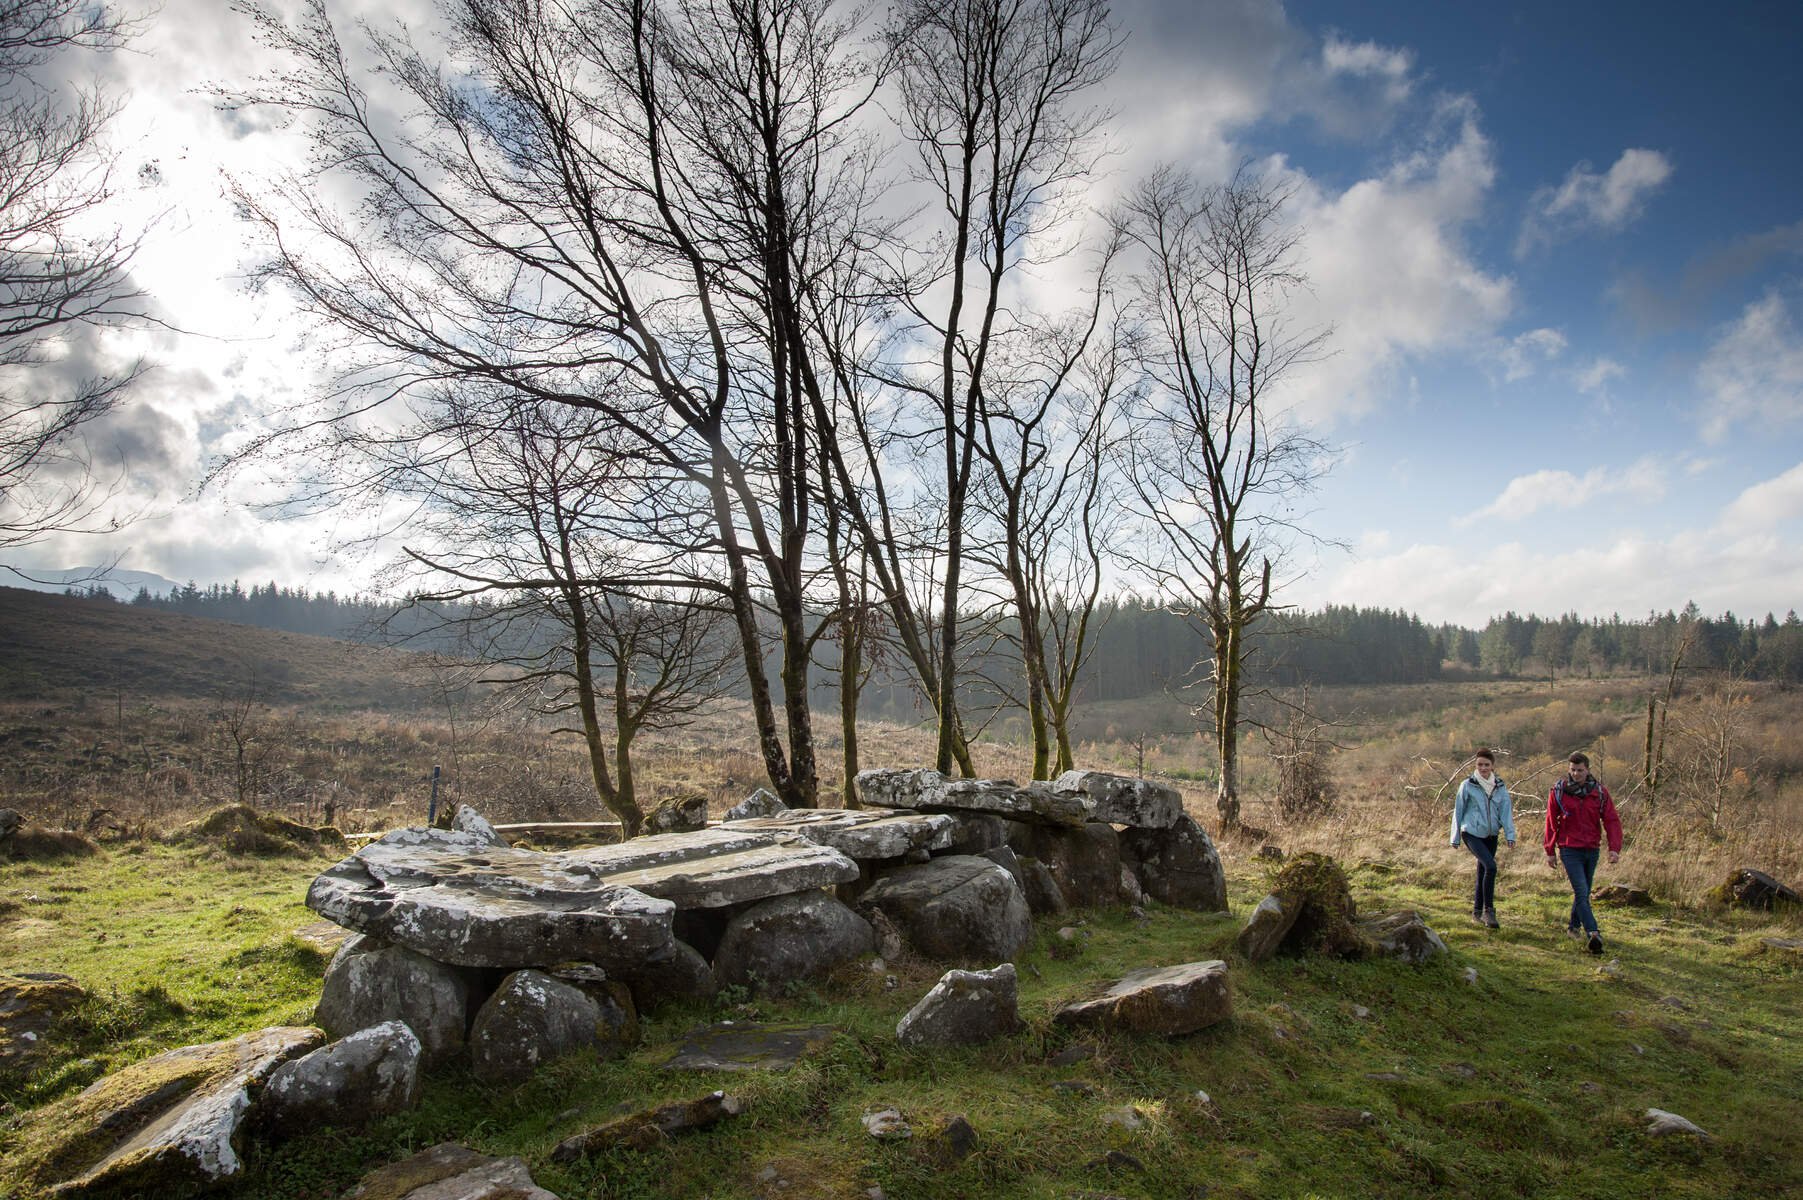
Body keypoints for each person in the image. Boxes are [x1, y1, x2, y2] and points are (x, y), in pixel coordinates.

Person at [1543, 751, 1622, 955]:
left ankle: (1573, 927)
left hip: (1592, 849)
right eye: (1573, 770)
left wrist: (1614, 848)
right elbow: (1551, 821)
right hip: (1569, 848)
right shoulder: (1559, 791)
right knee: (1581, 891)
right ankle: (1593, 932)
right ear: (1568, 770)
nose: (1576, 774)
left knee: (1584, 891)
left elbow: (1611, 820)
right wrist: (1550, 850)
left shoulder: (1600, 793)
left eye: (1580, 770)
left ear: (1587, 770)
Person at [1450, 749, 1515, 928]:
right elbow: (1458, 810)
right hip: (1471, 833)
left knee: (1482, 871)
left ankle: (1476, 913)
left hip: (1491, 835)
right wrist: (1455, 837)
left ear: (1492, 766)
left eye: (1486, 764)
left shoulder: (1500, 786)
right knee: (1491, 867)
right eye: (1480, 764)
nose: (1483, 768)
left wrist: (1510, 834)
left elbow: (1506, 811)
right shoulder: (1467, 785)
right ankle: (1489, 912)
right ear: (1475, 765)